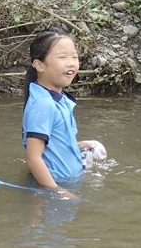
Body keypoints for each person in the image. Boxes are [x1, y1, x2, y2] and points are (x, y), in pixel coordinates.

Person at [22, 27, 101, 196]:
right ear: (39, 65)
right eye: (62, 57)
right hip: (51, 188)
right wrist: (58, 192)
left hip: (66, 183)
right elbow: (33, 158)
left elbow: (54, 144)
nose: (71, 63)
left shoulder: (60, 98)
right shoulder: (43, 104)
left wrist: (82, 146)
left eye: (74, 57)